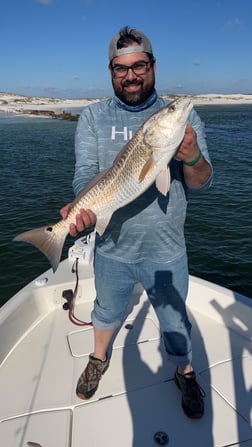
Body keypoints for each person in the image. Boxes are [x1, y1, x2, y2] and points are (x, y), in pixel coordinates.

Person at [61, 26, 213, 419]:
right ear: (111, 71)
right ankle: (98, 359)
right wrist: (83, 207)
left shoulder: (182, 120)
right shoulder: (93, 117)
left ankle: (184, 371)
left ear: (152, 65)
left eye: (139, 65)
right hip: (111, 247)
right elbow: (86, 175)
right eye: (120, 68)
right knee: (106, 311)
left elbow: (200, 183)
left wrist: (192, 155)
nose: (131, 75)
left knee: (175, 321)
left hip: (167, 249)